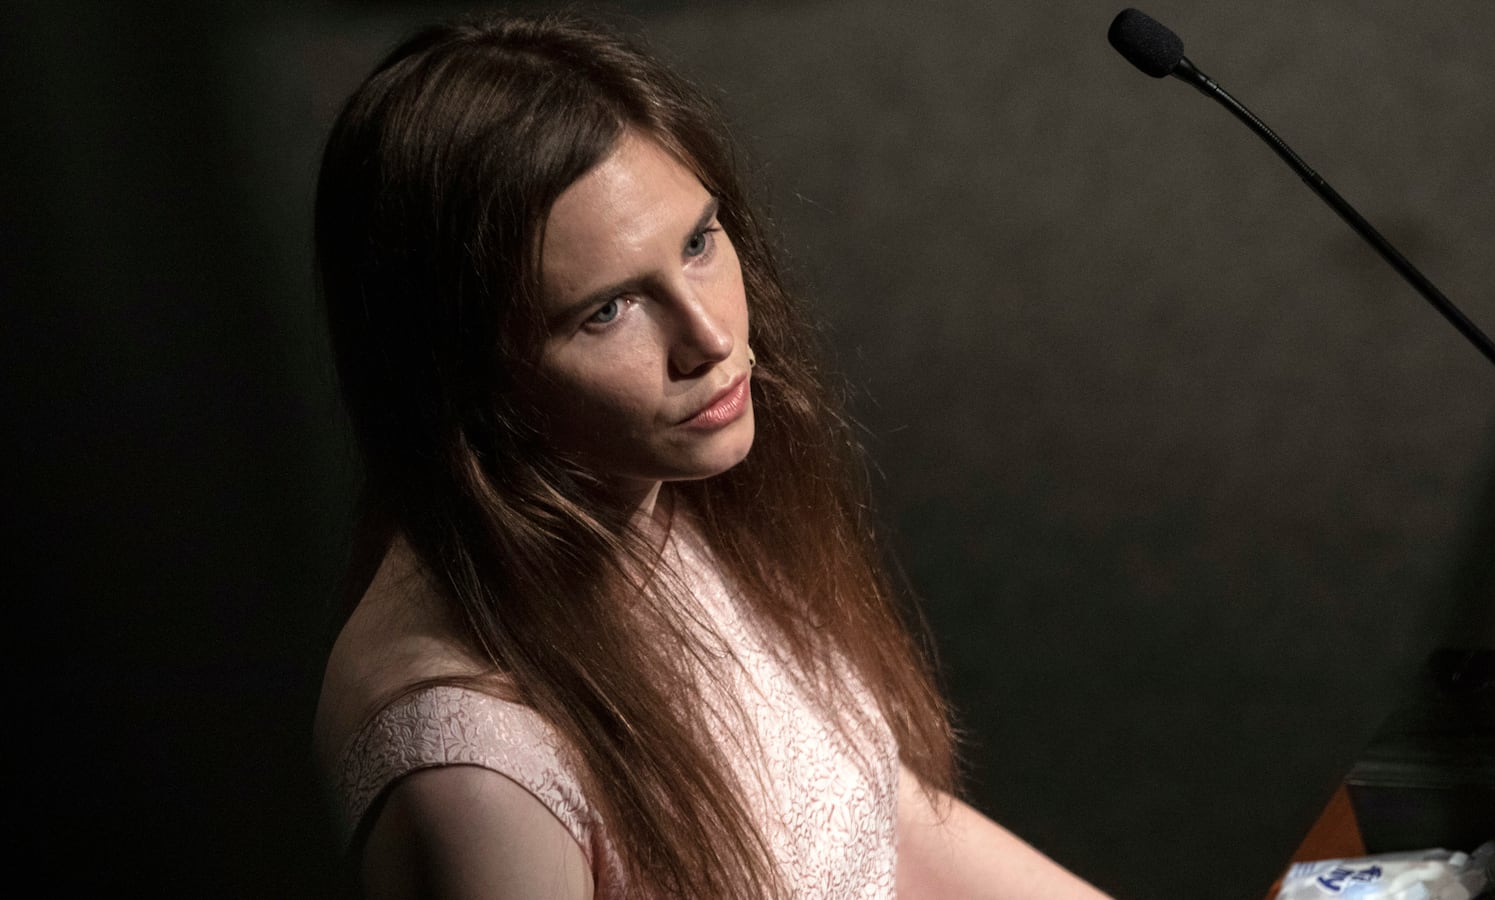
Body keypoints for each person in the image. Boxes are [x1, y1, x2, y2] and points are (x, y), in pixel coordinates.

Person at [311, 11, 1110, 899]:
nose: (711, 337)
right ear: (460, 373)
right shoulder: (477, 776)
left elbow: (882, 822)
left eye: (697, 242)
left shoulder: (646, 488)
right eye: (607, 310)